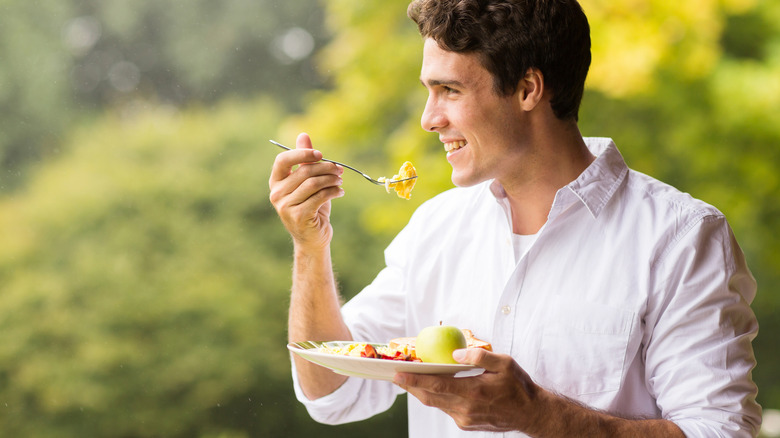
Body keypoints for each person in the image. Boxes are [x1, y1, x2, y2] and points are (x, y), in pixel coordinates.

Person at [268, 0, 761, 436]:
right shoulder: (435, 229)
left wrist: (539, 415)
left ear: (528, 88)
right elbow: (331, 392)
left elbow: (719, 431)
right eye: (429, 90)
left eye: (449, 90)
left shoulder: (681, 237)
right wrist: (310, 246)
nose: (428, 118)